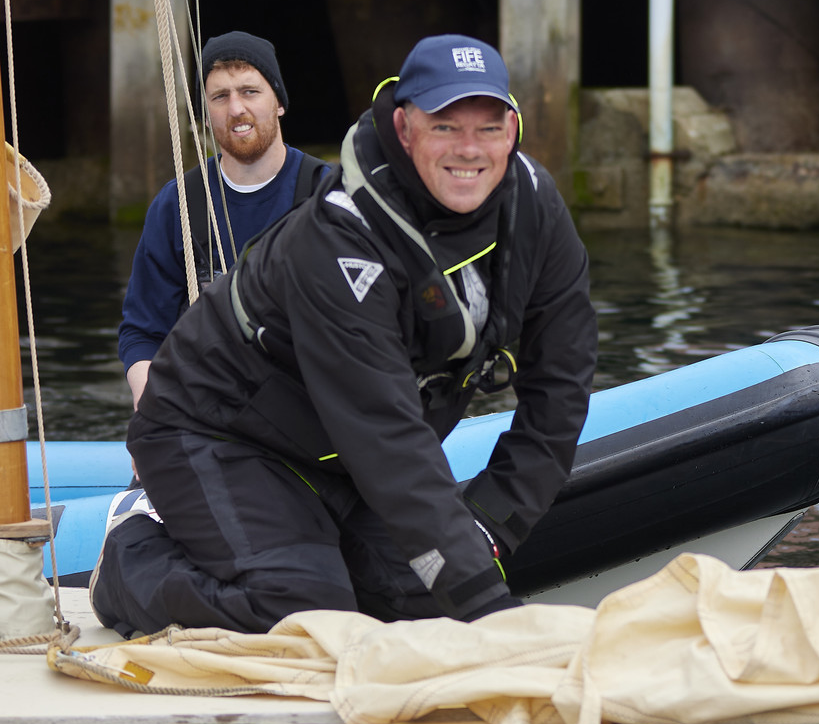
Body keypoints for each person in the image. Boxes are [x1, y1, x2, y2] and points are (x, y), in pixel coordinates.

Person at [92, 35, 597, 638]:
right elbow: (386, 436)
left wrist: (491, 523)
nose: (469, 149)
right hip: (217, 427)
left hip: (334, 452)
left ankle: (323, 553)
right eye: (444, 126)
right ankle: (131, 562)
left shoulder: (537, 212)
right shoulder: (339, 238)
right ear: (405, 129)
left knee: (426, 603)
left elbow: (561, 388)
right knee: (304, 610)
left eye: (488, 127)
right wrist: (493, 616)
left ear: (513, 130)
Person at [119, 32, 325, 406]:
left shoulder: (329, 195)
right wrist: (150, 414)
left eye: (250, 91)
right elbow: (142, 333)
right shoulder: (177, 204)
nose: (236, 109)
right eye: (220, 97)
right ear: (207, 112)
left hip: (310, 412)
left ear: (278, 101)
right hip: (206, 412)